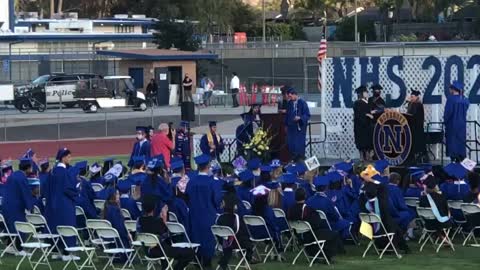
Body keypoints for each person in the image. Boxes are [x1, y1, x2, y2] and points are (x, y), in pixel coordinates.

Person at [138, 195, 195, 270]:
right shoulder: (157, 222)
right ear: (154, 208)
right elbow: (166, 235)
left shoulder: (139, 221)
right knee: (190, 252)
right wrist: (164, 218)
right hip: (160, 250)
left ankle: (165, 267)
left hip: (147, 251)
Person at [287, 188, 344, 262]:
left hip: (299, 237)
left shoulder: (291, 209)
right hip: (310, 235)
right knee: (333, 234)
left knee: (324, 233)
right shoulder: (307, 209)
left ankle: (316, 253)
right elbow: (316, 223)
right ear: (305, 196)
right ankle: (327, 257)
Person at [186, 154, 221, 268]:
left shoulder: (191, 181)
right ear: (208, 165)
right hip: (208, 213)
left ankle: (197, 259)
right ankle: (207, 262)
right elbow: (216, 200)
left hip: (194, 214)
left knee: (196, 236)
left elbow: (187, 196)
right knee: (208, 238)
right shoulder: (212, 182)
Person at [44, 148, 79, 261]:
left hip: (53, 205)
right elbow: (68, 189)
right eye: (68, 156)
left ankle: (57, 251)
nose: (70, 159)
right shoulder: (64, 172)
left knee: (56, 227)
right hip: (64, 205)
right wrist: (77, 189)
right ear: (63, 158)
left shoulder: (52, 171)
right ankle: (66, 253)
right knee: (66, 226)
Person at [216, 192, 257, 270]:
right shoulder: (236, 218)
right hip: (236, 243)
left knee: (228, 248)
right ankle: (248, 260)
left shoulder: (220, 217)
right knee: (249, 244)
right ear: (234, 206)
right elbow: (242, 232)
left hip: (223, 243)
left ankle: (223, 263)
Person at [2, 158, 34, 253]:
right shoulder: (22, 178)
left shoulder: (13, 175)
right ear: (27, 168)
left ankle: (10, 246)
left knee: (10, 226)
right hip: (16, 207)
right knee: (20, 226)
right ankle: (20, 249)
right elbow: (25, 194)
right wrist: (30, 207)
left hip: (6, 205)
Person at [306, 175, 351, 240]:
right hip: (327, 225)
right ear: (326, 187)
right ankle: (341, 241)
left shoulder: (309, 200)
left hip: (314, 225)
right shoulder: (327, 201)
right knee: (346, 223)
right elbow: (335, 217)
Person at [444, 81, 470, 162]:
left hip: (452, 124)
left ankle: (453, 161)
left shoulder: (450, 99)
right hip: (462, 125)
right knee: (460, 143)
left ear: (453, 89)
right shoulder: (465, 100)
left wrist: (445, 121)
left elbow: (448, 113)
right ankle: (460, 160)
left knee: (452, 144)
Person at [285, 88, 311, 161]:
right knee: (291, 144)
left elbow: (307, 115)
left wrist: (300, 118)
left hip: (299, 128)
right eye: (289, 97)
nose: (290, 98)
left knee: (298, 145)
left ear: (295, 94)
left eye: (290, 96)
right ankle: (292, 160)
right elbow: (287, 115)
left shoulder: (302, 103)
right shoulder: (289, 103)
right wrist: (286, 125)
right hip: (291, 128)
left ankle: (300, 161)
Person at [387, 172, 415, 239]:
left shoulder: (384, 188)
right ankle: (405, 233)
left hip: (384, 213)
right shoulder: (397, 190)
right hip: (393, 214)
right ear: (397, 181)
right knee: (411, 213)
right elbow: (400, 205)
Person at [353, 86, 374, 161]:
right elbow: (359, 114)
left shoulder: (368, 102)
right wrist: (367, 114)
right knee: (362, 142)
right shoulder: (357, 103)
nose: (367, 93)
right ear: (361, 94)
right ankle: (363, 156)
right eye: (365, 92)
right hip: (360, 126)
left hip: (367, 125)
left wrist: (371, 113)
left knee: (368, 142)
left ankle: (368, 155)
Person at [406, 89, 426, 161]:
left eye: (413, 96)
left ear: (417, 97)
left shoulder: (418, 105)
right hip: (411, 126)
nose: (411, 98)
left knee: (417, 143)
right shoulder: (410, 104)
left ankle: (418, 156)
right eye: (411, 96)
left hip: (417, 127)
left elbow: (414, 115)